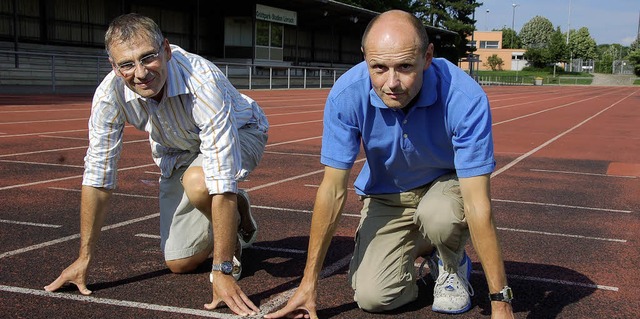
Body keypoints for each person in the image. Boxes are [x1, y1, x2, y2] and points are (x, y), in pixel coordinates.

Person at [266, 10, 514, 319]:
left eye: (405, 67)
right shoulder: (347, 95)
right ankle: (426, 245)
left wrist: (500, 303)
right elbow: (332, 191)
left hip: (447, 187)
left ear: (428, 57)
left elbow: (478, 204)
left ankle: (451, 262)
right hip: (388, 194)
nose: (391, 83)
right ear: (365, 58)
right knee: (373, 298)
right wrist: (308, 283)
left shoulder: (464, 98)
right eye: (379, 68)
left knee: (438, 216)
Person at [44, 13, 268, 316]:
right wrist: (84, 258)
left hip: (243, 132)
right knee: (179, 262)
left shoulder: (202, 81)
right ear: (114, 66)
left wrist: (223, 269)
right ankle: (239, 210)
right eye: (126, 64)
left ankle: (231, 248)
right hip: (178, 152)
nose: (139, 73)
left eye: (148, 58)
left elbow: (221, 177)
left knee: (201, 183)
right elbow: (98, 175)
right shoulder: (110, 94)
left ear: (166, 50)